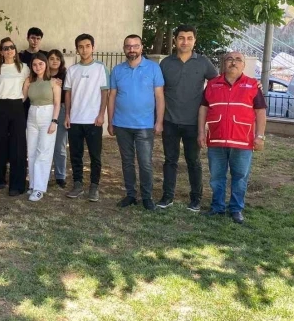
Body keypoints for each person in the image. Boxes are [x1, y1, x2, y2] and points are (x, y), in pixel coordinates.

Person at [198, 52, 267, 224]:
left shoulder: (252, 85)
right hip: (216, 139)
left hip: (242, 141)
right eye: (229, 59)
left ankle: (236, 209)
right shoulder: (212, 84)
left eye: (238, 60)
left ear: (243, 65)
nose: (233, 63)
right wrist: (201, 132)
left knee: (240, 176)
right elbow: (203, 109)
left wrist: (260, 136)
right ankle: (217, 207)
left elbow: (260, 112)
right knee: (216, 177)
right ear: (224, 63)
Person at [158, 25, 219, 211]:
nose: (185, 42)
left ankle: (196, 199)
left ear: (194, 41)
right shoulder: (165, 63)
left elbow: (218, 84)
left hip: (194, 122)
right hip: (170, 120)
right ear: (175, 40)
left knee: (193, 162)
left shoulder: (203, 62)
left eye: (189, 38)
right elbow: (158, 91)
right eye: (181, 38)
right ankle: (167, 196)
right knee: (170, 160)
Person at [107, 34, 165, 211]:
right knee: (127, 161)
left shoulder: (153, 68)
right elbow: (112, 97)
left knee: (145, 163)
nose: (131, 49)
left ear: (141, 47)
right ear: (124, 49)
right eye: (128, 46)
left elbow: (159, 97)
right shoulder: (117, 70)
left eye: (135, 46)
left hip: (145, 126)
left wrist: (159, 121)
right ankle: (131, 195)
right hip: (122, 124)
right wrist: (110, 121)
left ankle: (147, 197)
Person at [64, 34, 109, 202]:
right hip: (75, 120)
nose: (84, 50)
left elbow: (105, 92)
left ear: (93, 47)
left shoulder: (100, 68)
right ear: (77, 49)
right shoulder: (72, 70)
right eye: (81, 47)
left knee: (95, 156)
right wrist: (67, 115)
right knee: (75, 155)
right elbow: (68, 94)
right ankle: (77, 184)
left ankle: (94, 187)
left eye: (87, 46)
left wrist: (101, 114)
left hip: (93, 120)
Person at [0, 37, 29, 196]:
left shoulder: (24, 68)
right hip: (1, 107)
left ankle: (17, 185)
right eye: (5, 48)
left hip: (17, 106)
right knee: (0, 143)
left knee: (18, 145)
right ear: (1, 52)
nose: (9, 50)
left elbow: (33, 80)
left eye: (12, 47)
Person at [23, 54, 61, 201]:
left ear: (45, 64)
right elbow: (22, 98)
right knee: (31, 151)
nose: (38, 67)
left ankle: (39, 188)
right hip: (32, 115)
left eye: (40, 64)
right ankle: (33, 184)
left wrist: (54, 121)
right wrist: (25, 85)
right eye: (34, 64)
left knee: (43, 152)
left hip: (47, 115)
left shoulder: (53, 82)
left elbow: (57, 103)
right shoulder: (30, 81)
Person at [47, 49, 68, 188]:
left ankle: (60, 176)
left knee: (60, 146)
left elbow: (68, 96)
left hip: (61, 110)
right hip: (45, 110)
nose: (55, 61)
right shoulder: (42, 75)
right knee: (45, 145)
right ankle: (46, 174)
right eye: (52, 58)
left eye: (57, 59)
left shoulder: (66, 76)